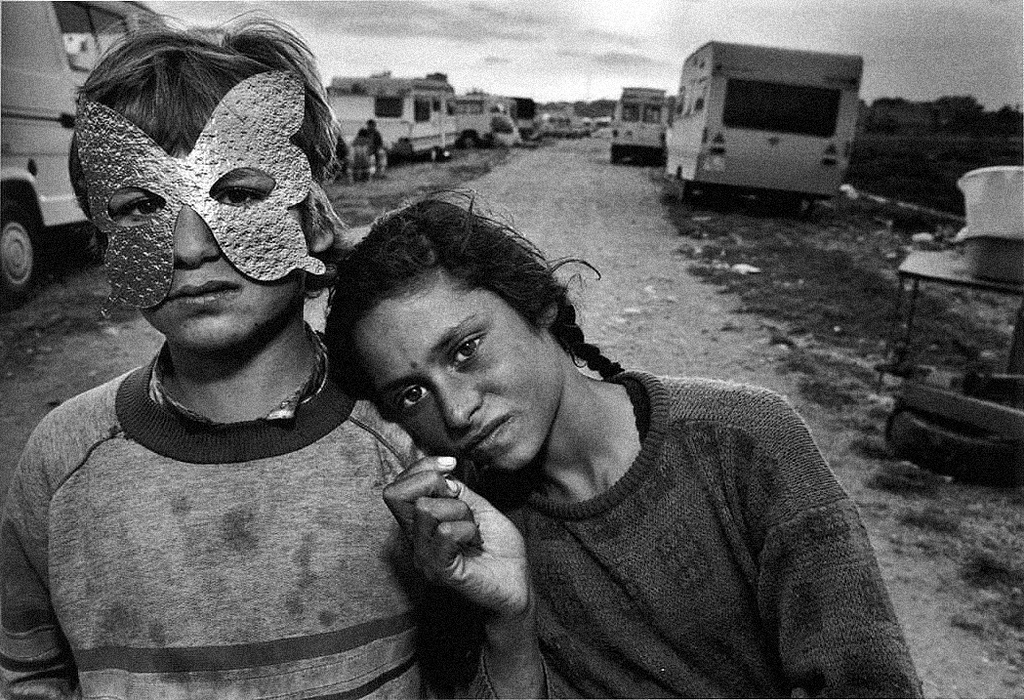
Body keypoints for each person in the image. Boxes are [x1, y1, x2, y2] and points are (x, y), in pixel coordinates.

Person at [323, 190, 924, 698]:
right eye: (410, 394)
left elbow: (871, 681)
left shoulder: (742, 438)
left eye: (465, 350)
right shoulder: (466, 530)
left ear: (540, 304)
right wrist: (511, 619)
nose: (455, 409)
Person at [0, 19, 430, 699]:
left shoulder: (408, 445)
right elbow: (27, 672)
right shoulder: (63, 458)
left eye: (236, 193)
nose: (189, 246)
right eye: (141, 206)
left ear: (312, 212)